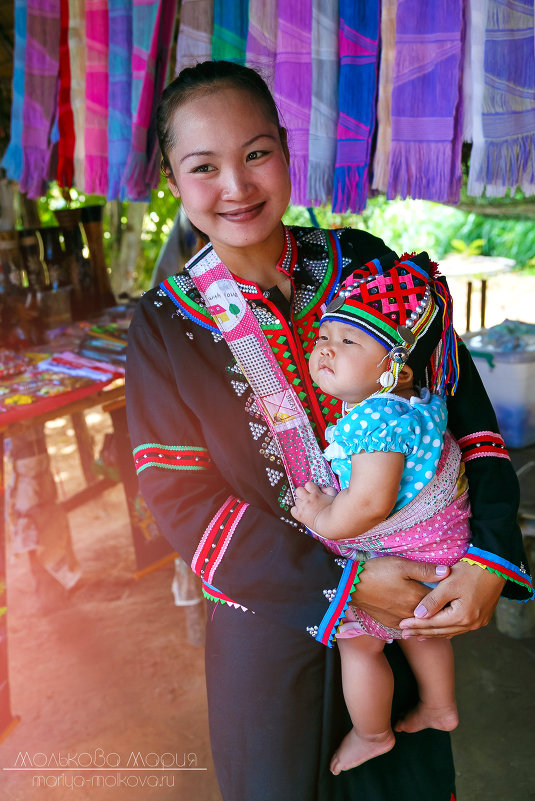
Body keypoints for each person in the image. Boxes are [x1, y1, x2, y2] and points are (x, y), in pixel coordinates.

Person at [125, 60, 533, 801]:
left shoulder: (366, 265)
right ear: (173, 180)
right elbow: (183, 503)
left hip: (412, 595)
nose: (237, 186)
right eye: (203, 166)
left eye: (255, 154)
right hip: (269, 624)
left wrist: (487, 556)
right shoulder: (164, 326)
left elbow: (466, 416)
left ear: (285, 149)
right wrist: (341, 587)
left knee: (406, 777)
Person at [290, 253, 471, 775]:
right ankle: (439, 706)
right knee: (420, 628)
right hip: (437, 547)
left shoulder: (376, 421)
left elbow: (368, 505)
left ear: (394, 368)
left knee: (361, 644)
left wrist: (321, 517)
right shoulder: (413, 403)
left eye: (350, 343)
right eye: (324, 338)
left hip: (410, 547)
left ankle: (372, 734)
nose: (326, 349)